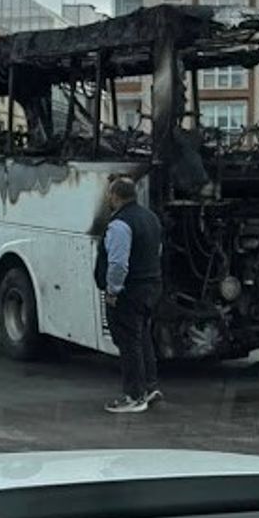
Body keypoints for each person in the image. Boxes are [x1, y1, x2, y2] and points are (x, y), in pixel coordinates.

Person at [95, 177, 164, 414]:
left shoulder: (120, 224)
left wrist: (113, 290)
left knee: (128, 342)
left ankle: (134, 395)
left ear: (115, 196)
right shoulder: (150, 218)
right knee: (143, 337)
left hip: (129, 291)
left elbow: (118, 264)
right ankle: (150, 387)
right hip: (151, 286)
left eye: (109, 195)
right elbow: (157, 250)